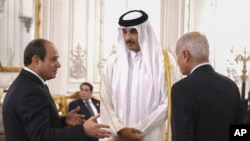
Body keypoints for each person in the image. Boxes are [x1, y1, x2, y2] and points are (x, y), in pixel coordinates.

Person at [2, 38, 111, 141]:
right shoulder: (32, 91)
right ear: (36, 61)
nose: (59, 64)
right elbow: (40, 137)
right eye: (53, 59)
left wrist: (64, 121)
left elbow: (36, 125)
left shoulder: (28, 83)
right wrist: (82, 130)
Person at [99, 10, 180, 141]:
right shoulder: (113, 63)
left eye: (133, 31)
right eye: (124, 32)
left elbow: (168, 102)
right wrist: (120, 129)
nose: (127, 37)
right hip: (118, 136)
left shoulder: (163, 61)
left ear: (144, 32)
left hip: (151, 136)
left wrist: (139, 130)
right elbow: (105, 101)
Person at [171, 31, 243, 141]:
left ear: (185, 55)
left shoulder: (181, 89)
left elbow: (182, 137)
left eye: (178, 56)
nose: (177, 61)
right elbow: (240, 133)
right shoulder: (231, 86)